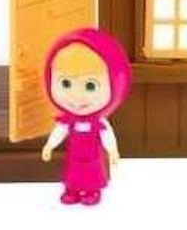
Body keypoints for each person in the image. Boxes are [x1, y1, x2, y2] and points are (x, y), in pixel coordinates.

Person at [39, 28, 131, 206]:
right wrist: (49, 146)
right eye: (65, 83)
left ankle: (92, 191)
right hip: (74, 158)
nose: (77, 96)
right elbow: (58, 133)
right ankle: (72, 190)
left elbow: (107, 136)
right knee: (72, 173)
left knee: (93, 174)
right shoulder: (67, 122)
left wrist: (113, 151)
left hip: (93, 158)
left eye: (90, 86)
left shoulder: (99, 122)